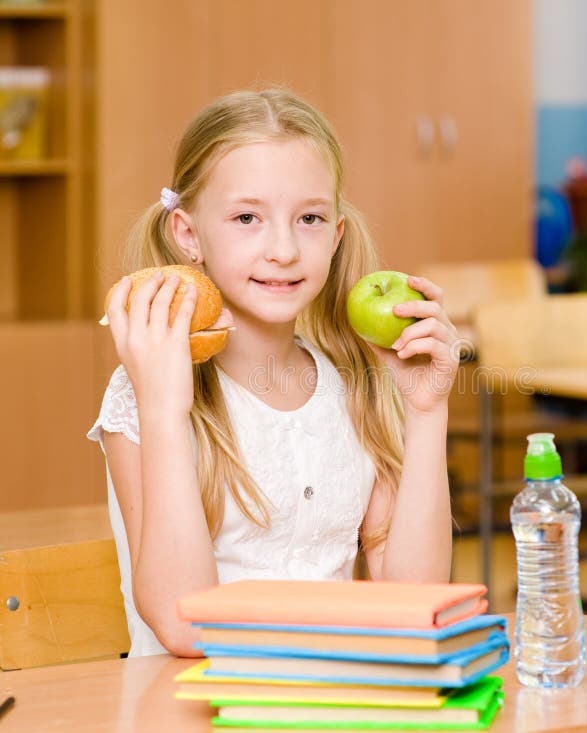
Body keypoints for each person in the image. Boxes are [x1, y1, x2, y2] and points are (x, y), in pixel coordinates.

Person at [87, 88, 458, 658]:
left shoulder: (356, 383)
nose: (283, 249)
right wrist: (164, 409)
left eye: (309, 218)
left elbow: (415, 600)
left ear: (336, 235)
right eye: (247, 218)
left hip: (332, 699)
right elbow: (186, 626)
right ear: (188, 235)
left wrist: (427, 413)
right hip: (193, 706)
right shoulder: (144, 395)